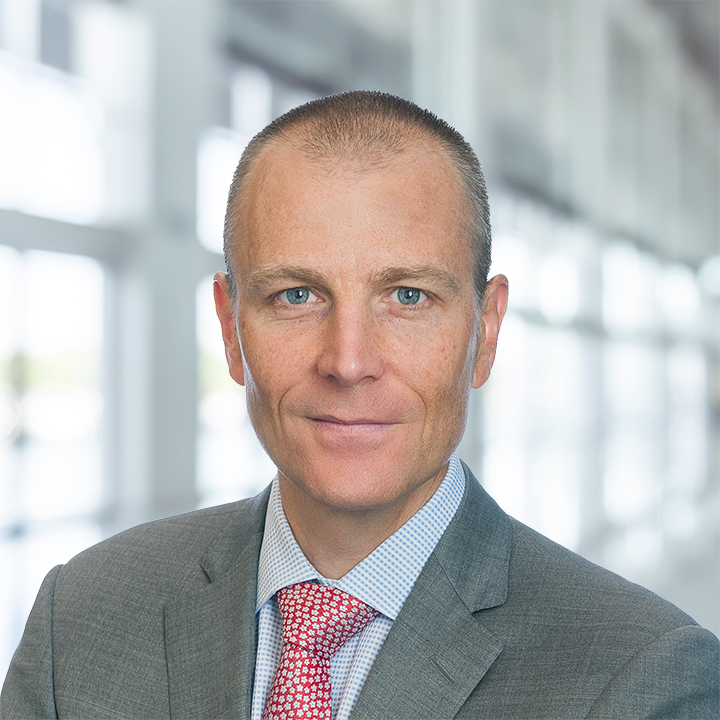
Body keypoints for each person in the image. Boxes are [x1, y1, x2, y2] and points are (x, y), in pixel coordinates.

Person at [1, 91, 718, 720]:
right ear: (229, 327)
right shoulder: (83, 615)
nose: (347, 362)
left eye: (408, 296)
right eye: (296, 295)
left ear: (486, 331)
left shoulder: (641, 676)